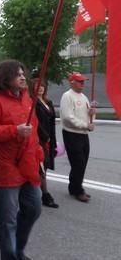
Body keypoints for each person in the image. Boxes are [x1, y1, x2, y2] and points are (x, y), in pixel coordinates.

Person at [0, 60, 43, 260]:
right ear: (7, 78)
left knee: (34, 208)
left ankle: (18, 249)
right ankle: (10, 256)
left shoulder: (27, 100)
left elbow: (34, 134)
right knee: (8, 220)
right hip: (6, 166)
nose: (23, 77)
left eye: (23, 73)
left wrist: (39, 154)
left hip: (28, 164)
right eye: (18, 74)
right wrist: (14, 130)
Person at [59, 72, 95, 203]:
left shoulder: (84, 97)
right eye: (80, 81)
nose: (82, 84)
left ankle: (74, 187)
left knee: (83, 161)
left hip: (83, 134)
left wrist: (91, 114)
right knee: (78, 162)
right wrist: (85, 125)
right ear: (72, 82)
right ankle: (78, 190)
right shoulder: (67, 96)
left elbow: (88, 114)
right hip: (72, 134)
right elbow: (68, 117)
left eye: (83, 81)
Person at [30, 78, 59, 208]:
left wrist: (52, 139)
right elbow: (34, 121)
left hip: (49, 138)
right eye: (37, 86)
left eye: (42, 85)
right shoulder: (32, 102)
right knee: (41, 166)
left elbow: (52, 122)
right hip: (39, 139)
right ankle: (44, 194)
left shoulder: (48, 102)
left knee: (44, 166)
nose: (40, 88)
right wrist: (44, 136)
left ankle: (40, 192)